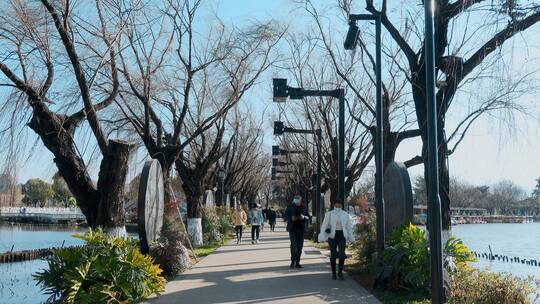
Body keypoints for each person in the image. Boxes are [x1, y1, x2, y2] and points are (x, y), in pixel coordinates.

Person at [318, 200, 354, 280]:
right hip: (332, 236)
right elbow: (324, 225)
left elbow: (348, 227)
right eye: (336, 205)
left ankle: (340, 272)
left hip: (342, 235)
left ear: (341, 205)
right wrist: (322, 235)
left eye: (339, 205)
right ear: (334, 205)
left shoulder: (345, 214)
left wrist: (350, 236)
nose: (338, 207)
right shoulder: (329, 214)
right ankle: (334, 272)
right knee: (333, 254)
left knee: (342, 254)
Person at [284, 195, 309, 268]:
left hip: (301, 229)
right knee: (293, 245)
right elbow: (285, 216)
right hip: (292, 229)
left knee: (299, 247)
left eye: (298, 199)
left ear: (301, 200)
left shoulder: (304, 207)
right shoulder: (290, 206)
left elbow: (308, 217)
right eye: (295, 199)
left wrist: (303, 217)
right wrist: (291, 218)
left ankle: (297, 262)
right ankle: (292, 262)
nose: (296, 200)